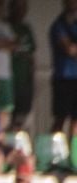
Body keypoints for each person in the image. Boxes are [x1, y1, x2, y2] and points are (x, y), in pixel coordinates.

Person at [54, 0, 77, 133]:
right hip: (64, 78)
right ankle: (53, 150)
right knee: (61, 118)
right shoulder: (59, 25)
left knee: (76, 121)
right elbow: (69, 49)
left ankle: (74, 152)